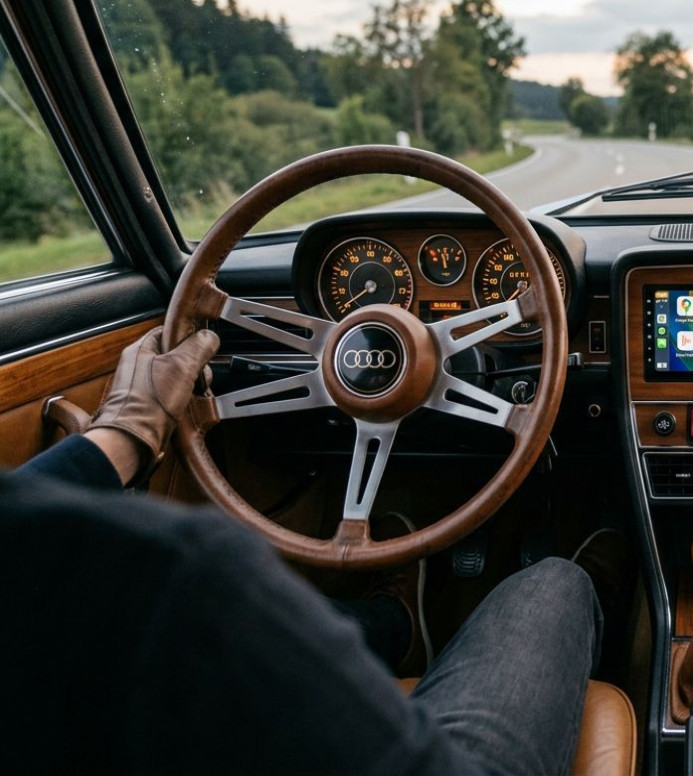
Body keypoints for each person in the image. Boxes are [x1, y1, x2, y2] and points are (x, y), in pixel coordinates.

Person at [2, 327, 606, 775]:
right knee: (554, 583)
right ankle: (603, 581)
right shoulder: (184, 579)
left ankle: (397, 624)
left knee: (302, 628)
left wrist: (128, 431)